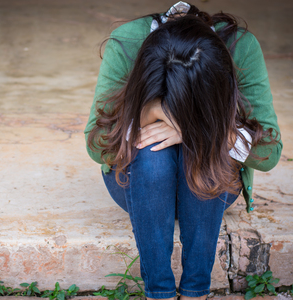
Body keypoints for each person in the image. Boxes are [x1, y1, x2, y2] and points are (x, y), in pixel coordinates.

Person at [84, 2, 282, 300]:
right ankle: (158, 292)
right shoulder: (128, 41)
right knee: (152, 152)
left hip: (211, 181)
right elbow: (95, 142)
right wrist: (146, 112)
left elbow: (270, 151)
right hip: (139, 187)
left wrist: (199, 127)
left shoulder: (240, 47)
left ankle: (195, 291)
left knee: (200, 149)